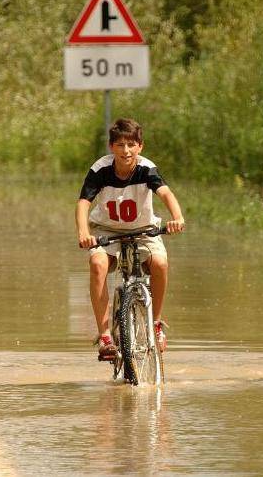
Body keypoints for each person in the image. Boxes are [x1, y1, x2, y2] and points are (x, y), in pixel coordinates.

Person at [76, 118, 185, 360]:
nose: (126, 150)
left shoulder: (147, 169)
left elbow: (165, 192)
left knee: (160, 264)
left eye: (131, 144)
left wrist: (177, 217)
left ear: (140, 147)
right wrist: (84, 232)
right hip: (107, 230)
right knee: (97, 265)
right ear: (111, 147)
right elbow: (84, 203)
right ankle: (105, 336)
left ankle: (155, 323)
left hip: (144, 229)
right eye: (120, 145)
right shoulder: (100, 170)